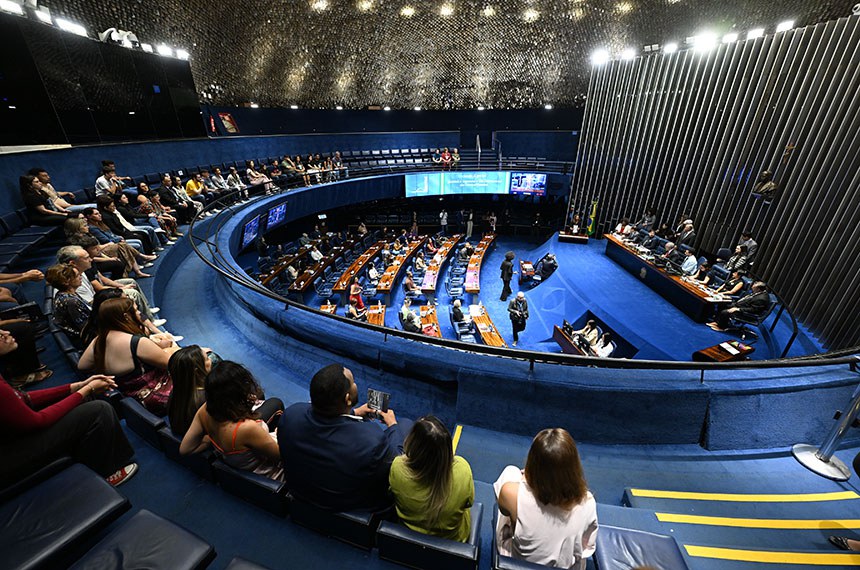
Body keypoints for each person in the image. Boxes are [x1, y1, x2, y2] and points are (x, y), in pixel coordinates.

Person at [0, 331, 137, 488]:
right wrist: (86, 390)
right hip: (10, 457)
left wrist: (75, 387)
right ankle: (107, 474)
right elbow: (37, 421)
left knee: (81, 401)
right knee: (98, 410)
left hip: (10, 441)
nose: (6, 332)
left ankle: (87, 457)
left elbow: (23, 398)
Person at [278, 363, 411, 511]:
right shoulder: (371, 441)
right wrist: (392, 426)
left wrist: (353, 413)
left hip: (301, 496)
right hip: (351, 508)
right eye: (353, 382)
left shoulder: (290, 415)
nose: (355, 384)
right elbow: (397, 463)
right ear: (347, 398)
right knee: (405, 425)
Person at [494, 428, 597, 568]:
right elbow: (586, 547)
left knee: (510, 472)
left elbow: (503, 510)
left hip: (520, 565)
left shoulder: (511, 493)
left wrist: (525, 479)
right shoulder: (588, 501)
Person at [181, 361, 284, 481]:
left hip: (238, 460)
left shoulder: (204, 410)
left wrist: (211, 438)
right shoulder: (248, 428)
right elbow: (282, 457)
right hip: (263, 475)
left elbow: (185, 449)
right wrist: (281, 435)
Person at [78, 297, 177, 415]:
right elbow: (173, 363)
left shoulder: (98, 340)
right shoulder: (136, 342)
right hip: (155, 398)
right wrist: (171, 350)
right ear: (126, 316)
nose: (139, 313)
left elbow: (82, 366)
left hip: (130, 401)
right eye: (136, 310)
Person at [389, 416, 474, 541]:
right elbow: (469, 503)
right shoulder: (462, 468)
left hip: (407, 536)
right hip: (451, 541)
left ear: (413, 443)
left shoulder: (397, 466)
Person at [167, 345, 215, 437]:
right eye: (207, 359)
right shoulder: (208, 398)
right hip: (202, 441)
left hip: (184, 436)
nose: (211, 360)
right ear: (197, 371)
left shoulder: (177, 390)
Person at [45, 265, 91, 341]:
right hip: (83, 339)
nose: (80, 277)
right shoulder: (71, 301)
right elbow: (86, 328)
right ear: (66, 282)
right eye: (77, 276)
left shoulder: (66, 293)